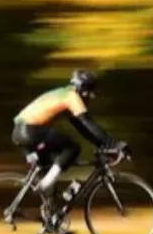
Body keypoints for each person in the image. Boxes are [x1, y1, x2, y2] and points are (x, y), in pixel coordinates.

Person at [13, 70, 121, 212]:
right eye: (90, 91)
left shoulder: (64, 94)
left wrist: (102, 144)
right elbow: (88, 123)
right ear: (82, 89)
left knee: (50, 169)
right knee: (72, 148)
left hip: (20, 132)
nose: (91, 96)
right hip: (32, 130)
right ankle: (45, 186)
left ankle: (51, 218)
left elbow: (82, 127)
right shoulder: (72, 96)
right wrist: (112, 144)